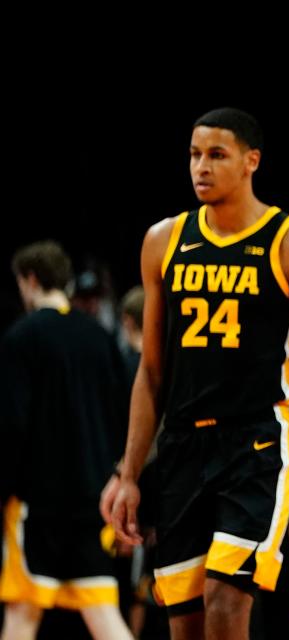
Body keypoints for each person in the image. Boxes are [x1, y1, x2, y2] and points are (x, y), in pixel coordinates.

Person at [101, 107, 289, 640]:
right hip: (181, 449)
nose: (201, 166)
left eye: (217, 154)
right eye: (194, 154)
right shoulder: (163, 241)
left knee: (225, 602)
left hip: (258, 444)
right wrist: (127, 473)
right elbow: (150, 372)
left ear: (251, 161)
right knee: (187, 623)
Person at [0, 240, 133, 640]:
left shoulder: (22, 337)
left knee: (21, 615)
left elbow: (12, 425)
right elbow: (123, 419)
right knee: (105, 617)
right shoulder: (99, 338)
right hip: (93, 501)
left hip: (38, 504)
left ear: (30, 280)